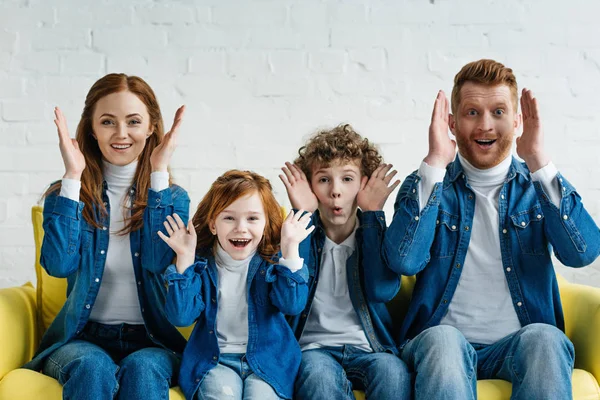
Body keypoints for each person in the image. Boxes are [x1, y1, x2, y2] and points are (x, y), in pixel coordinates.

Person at [384, 59, 600, 399]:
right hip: (441, 344)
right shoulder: (428, 184)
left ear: (516, 122)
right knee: (444, 340)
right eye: (472, 113)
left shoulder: (537, 186)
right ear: (452, 124)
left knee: (545, 338)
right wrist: (435, 162)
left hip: (519, 345)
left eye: (498, 112)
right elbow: (403, 262)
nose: (485, 125)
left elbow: (583, 253)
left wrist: (539, 161)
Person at [24, 73, 190, 400]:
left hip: (151, 340)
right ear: (91, 128)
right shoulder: (67, 195)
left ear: (152, 127)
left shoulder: (172, 198)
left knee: (142, 371)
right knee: (92, 367)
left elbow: (158, 262)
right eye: (108, 121)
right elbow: (58, 266)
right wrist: (73, 176)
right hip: (82, 339)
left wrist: (158, 173)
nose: (121, 134)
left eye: (133, 121)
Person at [280, 124, 412, 400]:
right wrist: (302, 213)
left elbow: (382, 291)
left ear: (364, 184)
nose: (336, 192)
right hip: (312, 350)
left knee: (393, 373)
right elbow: (293, 299)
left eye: (348, 179)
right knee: (319, 378)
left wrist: (373, 213)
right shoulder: (293, 235)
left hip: (370, 349)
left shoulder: (374, 236)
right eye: (324, 180)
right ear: (309, 186)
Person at [161, 170, 313, 400]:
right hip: (215, 361)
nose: (240, 227)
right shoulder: (201, 262)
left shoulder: (273, 261)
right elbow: (181, 317)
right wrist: (184, 258)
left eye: (252, 218)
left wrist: (291, 249)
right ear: (213, 224)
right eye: (229, 217)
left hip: (268, 360)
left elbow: (292, 305)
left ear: (265, 224)